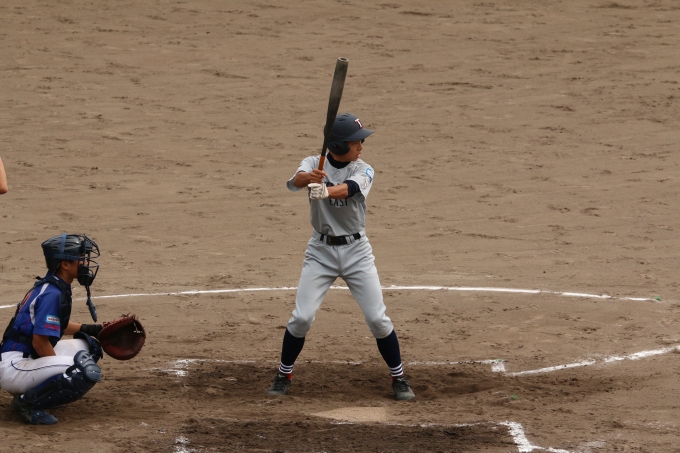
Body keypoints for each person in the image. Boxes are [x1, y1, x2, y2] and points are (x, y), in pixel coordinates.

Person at [267, 113, 415, 401]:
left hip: (357, 252)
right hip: (320, 252)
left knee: (378, 319)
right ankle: (284, 374)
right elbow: (295, 181)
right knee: (301, 318)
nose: (361, 146)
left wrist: (324, 190)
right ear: (337, 145)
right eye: (355, 141)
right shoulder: (314, 162)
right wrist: (309, 178)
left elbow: (350, 189)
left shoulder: (364, 168)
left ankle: (399, 377)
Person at [0, 234, 104, 425]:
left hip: (27, 357)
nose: (86, 263)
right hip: (16, 365)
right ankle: (26, 404)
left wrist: (93, 329)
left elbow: (55, 326)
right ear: (65, 264)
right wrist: (61, 374)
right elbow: (40, 342)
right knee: (80, 370)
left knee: (91, 347)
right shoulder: (51, 294)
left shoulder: (55, 286)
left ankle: (43, 391)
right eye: (81, 258)